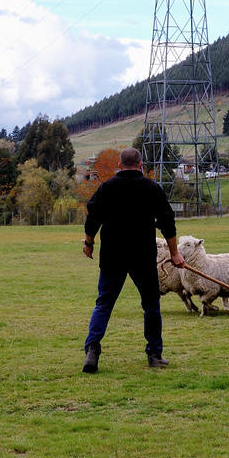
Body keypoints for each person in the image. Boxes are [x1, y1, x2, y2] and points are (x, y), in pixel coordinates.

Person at [81, 147, 185, 373]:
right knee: (151, 306)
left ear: (120, 165)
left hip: (112, 256)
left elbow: (92, 218)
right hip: (143, 256)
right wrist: (175, 254)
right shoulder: (152, 188)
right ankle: (155, 355)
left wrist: (89, 243)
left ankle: (92, 349)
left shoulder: (107, 188)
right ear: (140, 166)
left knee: (104, 304)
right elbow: (168, 222)